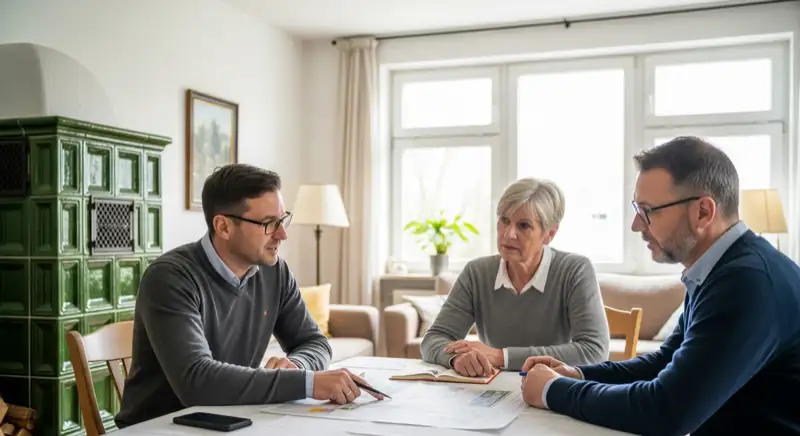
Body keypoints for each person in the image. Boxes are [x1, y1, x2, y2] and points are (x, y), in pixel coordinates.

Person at [520, 136, 800, 435]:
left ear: (703, 212)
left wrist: (552, 391)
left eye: (648, 211)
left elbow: (667, 410)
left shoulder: (747, 282)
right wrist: (576, 374)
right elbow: (666, 361)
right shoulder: (721, 269)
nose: (636, 225)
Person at [115, 164, 382, 428]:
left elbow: (314, 342)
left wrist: (297, 365)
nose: (282, 234)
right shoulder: (171, 278)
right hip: (162, 428)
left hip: (236, 419)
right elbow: (197, 381)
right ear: (223, 227)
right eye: (268, 223)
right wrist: (308, 382)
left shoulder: (274, 271)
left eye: (282, 219)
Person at [420, 177, 610, 377]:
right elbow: (434, 338)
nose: (509, 234)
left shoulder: (575, 270)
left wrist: (501, 357)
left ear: (549, 234)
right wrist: (456, 358)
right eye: (504, 220)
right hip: (492, 390)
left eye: (524, 225)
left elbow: (594, 351)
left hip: (554, 390)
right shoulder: (477, 272)